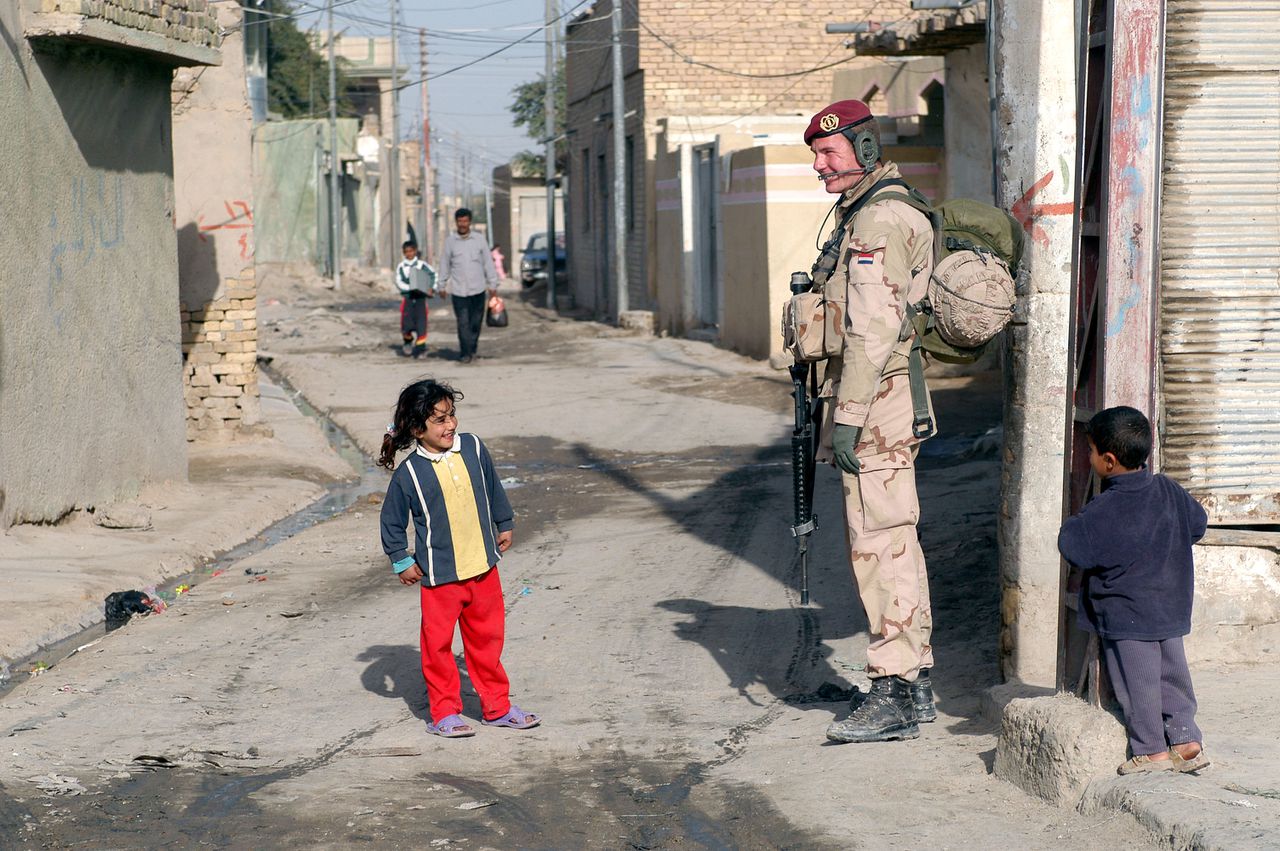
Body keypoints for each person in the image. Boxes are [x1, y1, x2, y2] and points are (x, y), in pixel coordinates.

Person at [803, 100, 939, 744]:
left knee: (878, 546)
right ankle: (915, 683)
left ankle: (890, 692)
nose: (820, 167)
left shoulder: (879, 219)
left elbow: (870, 332)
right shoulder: (877, 206)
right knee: (895, 540)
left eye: (829, 154)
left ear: (862, 146)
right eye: (815, 156)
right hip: (881, 400)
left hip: (876, 404)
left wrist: (848, 421)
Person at [378, 379, 539, 738]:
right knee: (437, 648)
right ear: (418, 429)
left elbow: (493, 486)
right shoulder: (410, 474)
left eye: (451, 415)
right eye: (439, 419)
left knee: (487, 641)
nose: (450, 424)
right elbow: (391, 520)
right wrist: (401, 560)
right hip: (440, 578)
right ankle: (444, 713)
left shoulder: (473, 448)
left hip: (484, 567)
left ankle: (497, 707)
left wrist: (504, 521)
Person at [1058, 406, 1209, 775]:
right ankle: (1187, 742)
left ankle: (1152, 751)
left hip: (1128, 616)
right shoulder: (1168, 490)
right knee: (1173, 675)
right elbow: (1198, 523)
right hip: (1171, 606)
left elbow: (1072, 545)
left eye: (1090, 450)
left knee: (1138, 683)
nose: (1088, 456)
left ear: (1108, 461)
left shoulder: (1104, 510)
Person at [437, 208, 498, 363]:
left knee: (475, 322)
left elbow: (488, 263)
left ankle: (473, 348)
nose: (462, 224)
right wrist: (442, 285)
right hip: (458, 291)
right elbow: (445, 264)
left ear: (470, 222)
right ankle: (465, 353)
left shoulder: (479, 240)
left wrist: (493, 284)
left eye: (465, 221)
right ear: (456, 222)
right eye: (460, 221)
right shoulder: (450, 242)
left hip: (478, 290)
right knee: (462, 322)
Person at [395, 241, 436, 358]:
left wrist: (430, 288)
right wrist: (410, 288)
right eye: (406, 252)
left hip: (420, 300)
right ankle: (407, 342)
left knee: (421, 324)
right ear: (403, 253)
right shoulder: (401, 267)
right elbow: (399, 281)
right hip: (408, 299)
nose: (409, 254)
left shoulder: (422, 265)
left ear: (415, 251)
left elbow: (433, 275)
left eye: (411, 251)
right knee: (406, 324)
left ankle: (421, 348)